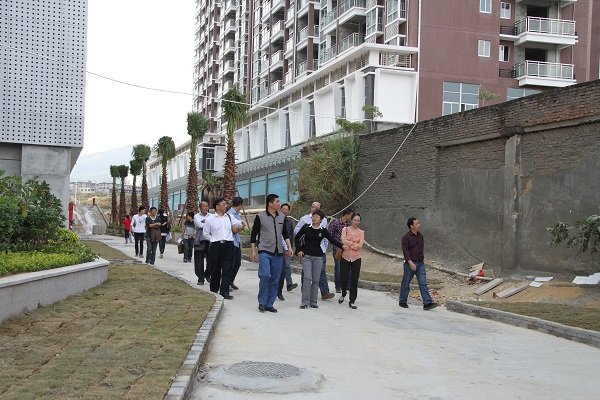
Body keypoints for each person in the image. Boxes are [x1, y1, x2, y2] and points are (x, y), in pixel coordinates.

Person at [250, 193, 293, 313]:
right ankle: (262, 302)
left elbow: (285, 234)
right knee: (265, 275)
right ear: (270, 203)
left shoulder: (281, 217)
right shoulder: (260, 216)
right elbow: (254, 235)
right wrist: (253, 250)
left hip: (278, 251)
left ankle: (269, 303)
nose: (280, 204)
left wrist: (289, 247)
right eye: (277, 202)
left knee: (275, 278)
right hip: (264, 249)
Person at [295, 210, 346, 309]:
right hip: (307, 257)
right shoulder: (306, 227)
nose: (314, 218)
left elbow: (332, 240)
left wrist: (342, 246)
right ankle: (304, 302)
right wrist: (298, 250)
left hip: (318, 257)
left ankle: (313, 302)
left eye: (317, 217)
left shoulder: (323, 230)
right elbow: (297, 238)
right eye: (313, 216)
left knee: (315, 280)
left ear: (321, 219)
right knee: (307, 278)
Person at [294, 201, 335, 300]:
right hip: (307, 249)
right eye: (313, 207)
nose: (314, 209)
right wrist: (305, 235)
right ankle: (305, 291)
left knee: (321, 271)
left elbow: (326, 234)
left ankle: (325, 292)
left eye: (317, 208)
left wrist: (325, 246)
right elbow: (296, 231)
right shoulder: (304, 219)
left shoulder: (324, 220)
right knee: (306, 272)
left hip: (320, 249)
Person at [204, 197, 243, 300]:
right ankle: (214, 289)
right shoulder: (210, 219)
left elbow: (238, 223)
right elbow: (206, 233)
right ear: (217, 206)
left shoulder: (229, 217)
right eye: (223, 204)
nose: (226, 206)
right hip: (216, 246)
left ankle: (224, 291)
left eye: (226, 204)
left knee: (227, 269)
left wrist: (241, 224)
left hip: (229, 245)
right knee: (215, 269)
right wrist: (213, 239)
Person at [399, 217, 438, 310]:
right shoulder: (405, 238)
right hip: (410, 264)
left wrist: (421, 260)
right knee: (406, 283)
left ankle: (427, 303)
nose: (419, 225)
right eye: (417, 223)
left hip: (420, 263)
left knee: (423, 283)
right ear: (411, 226)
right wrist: (410, 262)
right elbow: (405, 251)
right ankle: (402, 301)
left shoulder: (420, 236)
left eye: (419, 223)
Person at [338, 212, 364, 309]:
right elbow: (343, 240)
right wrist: (353, 244)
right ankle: (343, 293)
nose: (356, 222)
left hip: (356, 258)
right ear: (351, 220)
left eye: (358, 220)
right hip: (345, 256)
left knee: (354, 279)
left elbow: (360, 245)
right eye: (355, 220)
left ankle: (352, 300)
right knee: (343, 277)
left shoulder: (361, 232)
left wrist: (351, 245)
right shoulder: (345, 229)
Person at [328, 208, 353, 293]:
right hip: (338, 249)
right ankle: (338, 286)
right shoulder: (336, 223)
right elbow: (331, 236)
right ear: (346, 215)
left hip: (347, 249)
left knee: (348, 268)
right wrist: (338, 244)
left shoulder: (349, 225)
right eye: (350, 215)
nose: (351, 217)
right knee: (338, 268)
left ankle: (347, 286)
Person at [277, 203, 298, 301]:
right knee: (279, 268)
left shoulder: (289, 221)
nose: (285, 211)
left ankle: (289, 284)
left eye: (286, 209)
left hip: (287, 247)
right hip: (277, 248)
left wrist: (291, 247)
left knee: (287, 266)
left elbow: (291, 236)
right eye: (283, 209)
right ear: (280, 210)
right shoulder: (276, 219)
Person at [227, 197, 247, 290]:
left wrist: (240, 227)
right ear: (240, 205)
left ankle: (231, 280)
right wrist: (241, 227)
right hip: (231, 242)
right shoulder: (230, 214)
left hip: (237, 242)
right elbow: (234, 230)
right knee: (231, 264)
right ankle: (226, 282)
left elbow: (239, 227)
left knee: (237, 263)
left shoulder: (237, 214)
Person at [193, 201, 212, 285]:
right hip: (199, 240)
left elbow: (213, 225)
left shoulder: (211, 216)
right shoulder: (196, 216)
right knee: (198, 261)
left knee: (211, 260)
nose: (205, 208)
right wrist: (208, 225)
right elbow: (199, 225)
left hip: (210, 240)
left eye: (207, 206)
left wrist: (205, 223)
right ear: (200, 208)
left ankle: (207, 274)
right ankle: (200, 278)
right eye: (203, 206)